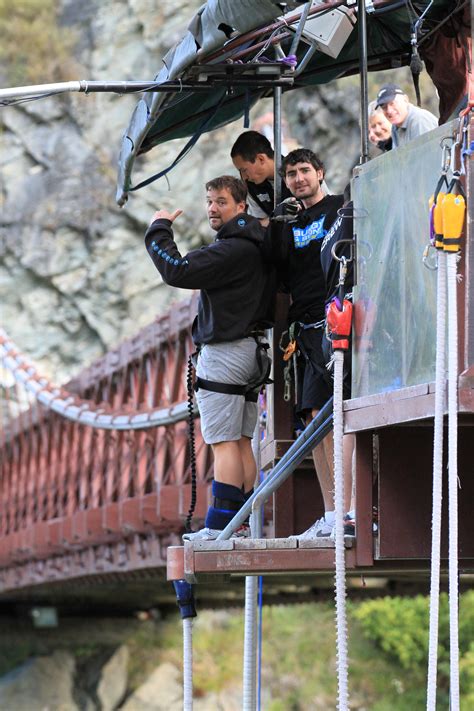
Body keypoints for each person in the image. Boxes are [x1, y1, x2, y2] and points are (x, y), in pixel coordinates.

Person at [144, 175, 275, 541]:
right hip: (251, 349)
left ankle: (220, 526)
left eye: (221, 201)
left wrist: (158, 230)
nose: (213, 208)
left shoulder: (231, 249)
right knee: (240, 440)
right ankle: (242, 523)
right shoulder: (257, 245)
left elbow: (177, 270)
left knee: (222, 441)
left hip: (225, 351)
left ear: (240, 206)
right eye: (210, 201)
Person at [265, 148, 347, 539]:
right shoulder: (288, 223)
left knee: (339, 416)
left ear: (320, 172)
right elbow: (274, 273)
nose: (298, 179)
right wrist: (273, 226)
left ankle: (349, 508)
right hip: (305, 329)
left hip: (337, 321)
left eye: (304, 171)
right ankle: (331, 512)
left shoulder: (339, 208)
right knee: (313, 420)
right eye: (291, 174)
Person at [230, 130, 292, 223]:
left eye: (244, 170)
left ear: (261, 159)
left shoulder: (298, 172)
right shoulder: (252, 186)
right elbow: (259, 224)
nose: (244, 177)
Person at [375, 83, 438, 148]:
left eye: (392, 103)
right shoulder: (395, 127)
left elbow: (428, 155)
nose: (389, 110)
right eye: (384, 107)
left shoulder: (419, 120)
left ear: (405, 100)